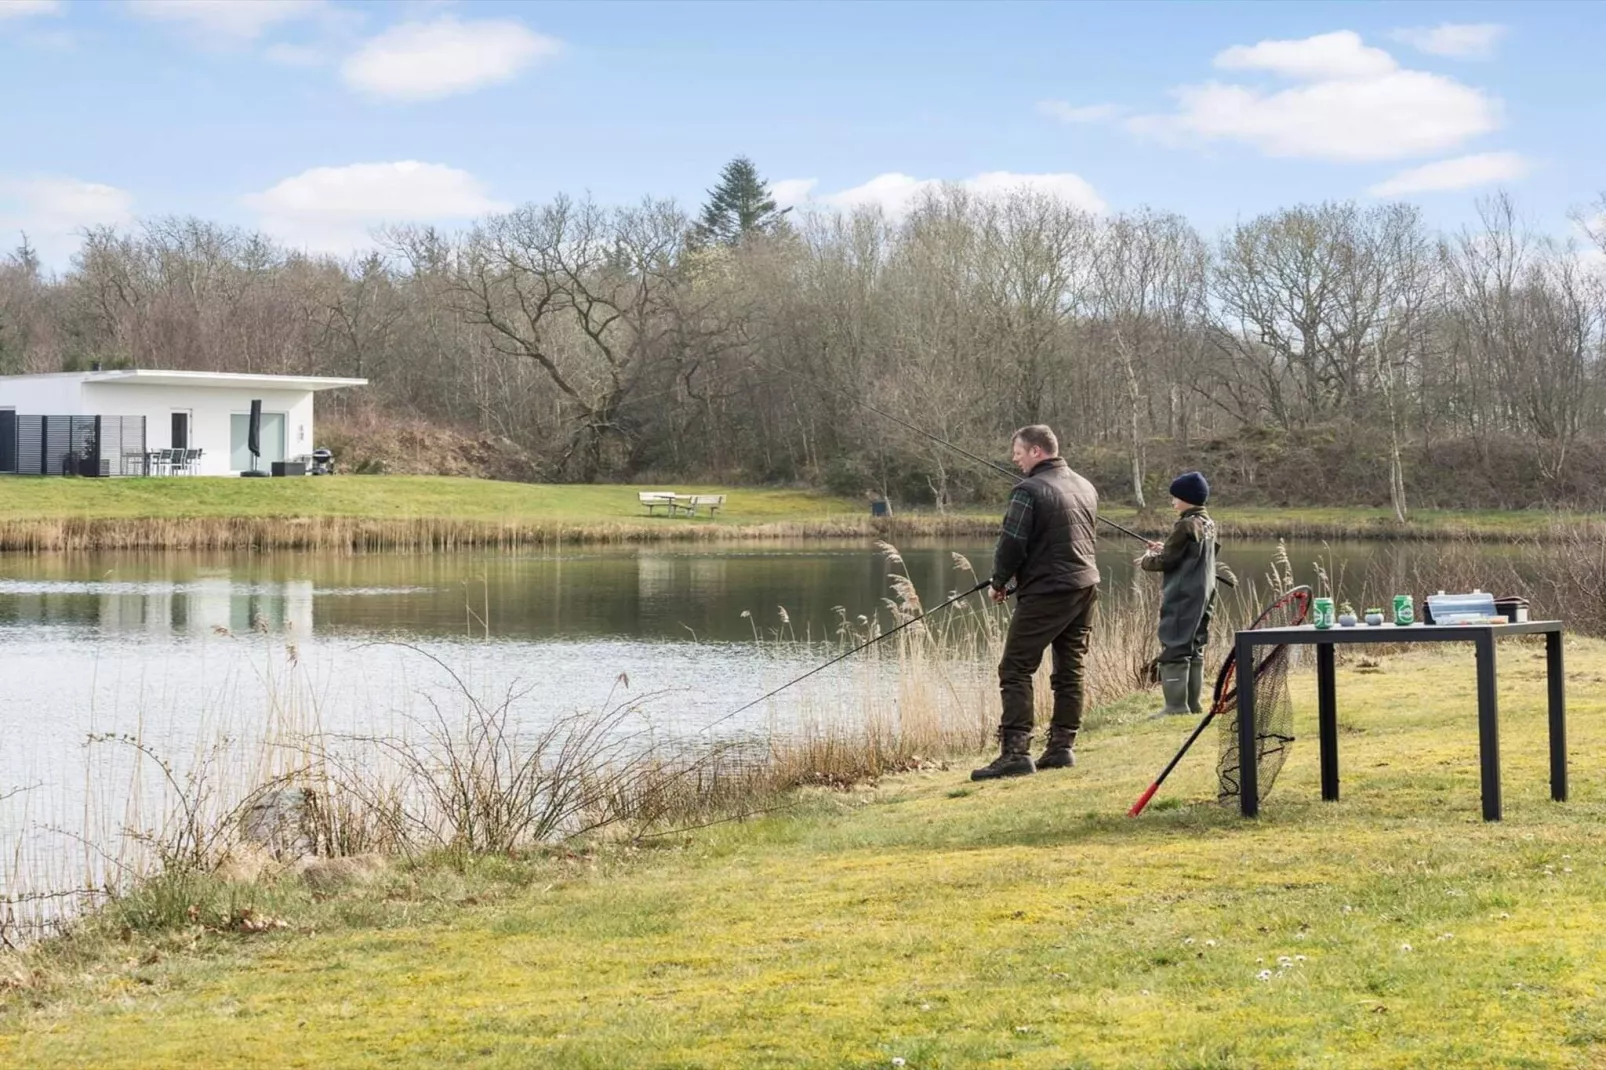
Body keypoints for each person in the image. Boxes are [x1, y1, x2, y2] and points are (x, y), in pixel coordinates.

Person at [971, 425, 1100, 780]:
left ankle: (1015, 753)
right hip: (1085, 586)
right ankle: (1061, 748)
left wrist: (999, 582)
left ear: (1037, 452)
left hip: (1048, 591)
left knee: (1015, 668)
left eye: (1018, 451)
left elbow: (1011, 543)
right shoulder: (1084, 485)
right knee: (1069, 667)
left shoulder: (1027, 490)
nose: (1014, 458)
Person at [1137, 471, 1234, 717]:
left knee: (1175, 643)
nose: (1173, 502)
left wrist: (1147, 560)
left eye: (1175, 497)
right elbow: (1191, 552)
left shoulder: (1185, 524)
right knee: (1195, 645)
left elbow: (1167, 561)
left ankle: (1175, 707)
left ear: (1186, 499)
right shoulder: (1207, 523)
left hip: (1184, 594)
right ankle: (1193, 704)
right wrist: (1165, 546)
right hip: (1204, 593)